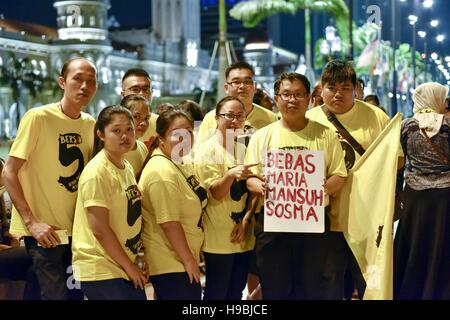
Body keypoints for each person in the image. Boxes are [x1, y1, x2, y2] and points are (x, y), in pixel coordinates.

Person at [245, 72, 347, 299]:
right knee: (274, 287)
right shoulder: (262, 136)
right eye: (287, 94)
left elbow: (339, 175)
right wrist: (262, 187)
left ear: (310, 98)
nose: (292, 100)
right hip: (273, 224)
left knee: (310, 288)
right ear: (276, 98)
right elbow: (250, 178)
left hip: (313, 222)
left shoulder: (326, 135)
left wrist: (321, 189)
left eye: (299, 95)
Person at [1, 57, 97, 300]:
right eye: (78, 79)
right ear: (62, 82)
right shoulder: (38, 117)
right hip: (45, 232)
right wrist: (31, 222)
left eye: (91, 81)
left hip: (77, 233)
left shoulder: (90, 124)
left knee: (73, 296)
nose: (84, 86)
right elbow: (9, 171)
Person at [306, 59, 402, 299]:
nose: (338, 94)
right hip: (325, 219)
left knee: (370, 280)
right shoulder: (309, 119)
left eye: (345, 88)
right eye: (332, 88)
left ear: (356, 89)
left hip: (368, 218)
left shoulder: (375, 116)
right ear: (321, 88)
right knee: (329, 281)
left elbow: (397, 159)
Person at [72, 105, 148, 300]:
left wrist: (136, 257)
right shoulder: (96, 172)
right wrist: (129, 266)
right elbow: (100, 229)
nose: (125, 136)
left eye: (129, 129)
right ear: (101, 134)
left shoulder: (126, 166)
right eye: (116, 131)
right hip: (100, 267)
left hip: (120, 263)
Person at [139, 109, 207, 300]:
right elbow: (169, 223)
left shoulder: (179, 162)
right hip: (171, 264)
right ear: (161, 139)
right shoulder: (161, 173)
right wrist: (188, 260)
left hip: (182, 260)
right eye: (178, 134)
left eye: (189, 132)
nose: (185, 138)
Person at [194, 96, 256, 300]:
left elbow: (252, 189)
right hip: (218, 237)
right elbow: (215, 193)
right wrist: (230, 174)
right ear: (216, 118)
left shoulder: (243, 148)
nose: (234, 121)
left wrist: (246, 219)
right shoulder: (206, 151)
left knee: (236, 292)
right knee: (216, 293)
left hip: (243, 234)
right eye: (229, 115)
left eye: (240, 116)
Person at [394, 82, 450, 300]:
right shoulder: (447, 125)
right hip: (445, 197)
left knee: (416, 246)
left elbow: (398, 163)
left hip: (415, 198)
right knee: (441, 247)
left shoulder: (406, 126)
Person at [196, 61, 278, 145]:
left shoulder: (270, 118)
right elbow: (200, 152)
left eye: (247, 82)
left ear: (255, 87)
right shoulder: (211, 118)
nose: (242, 86)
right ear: (226, 88)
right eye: (236, 82)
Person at [121, 68, 158, 144]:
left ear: (152, 93)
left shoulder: (161, 123)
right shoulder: (110, 123)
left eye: (146, 89)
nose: (141, 94)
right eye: (135, 89)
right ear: (123, 94)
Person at [120, 94, 150, 176]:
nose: (143, 123)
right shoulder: (116, 151)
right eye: (136, 116)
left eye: (146, 118)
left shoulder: (142, 147)